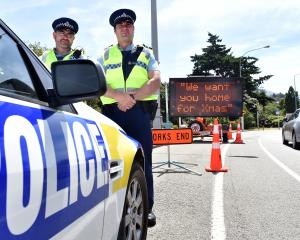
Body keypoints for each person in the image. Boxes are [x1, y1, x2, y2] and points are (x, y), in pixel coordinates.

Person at [98, 8, 161, 227]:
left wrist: (130, 98)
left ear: (133, 28)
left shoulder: (146, 53)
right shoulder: (105, 55)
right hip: (112, 114)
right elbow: (98, 84)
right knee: (112, 163)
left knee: (144, 162)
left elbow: (155, 81)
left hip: (139, 113)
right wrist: (119, 97)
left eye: (128, 25)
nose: (125, 28)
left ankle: (147, 208)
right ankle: (116, 206)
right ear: (115, 31)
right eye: (120, 26)